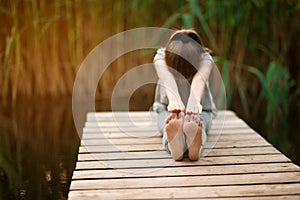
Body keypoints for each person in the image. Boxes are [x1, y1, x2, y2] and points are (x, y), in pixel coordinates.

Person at [153, 29, 217, 161]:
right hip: (167, 108)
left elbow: (200, 78)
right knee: (169, 122)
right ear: (167, 58)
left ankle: (191, 146)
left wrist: (194, 101)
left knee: (199, 122)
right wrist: (173, 99)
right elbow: (166, 76)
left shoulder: (205, 58)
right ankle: (178, 144)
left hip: (201, 110)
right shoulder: (161, 56)